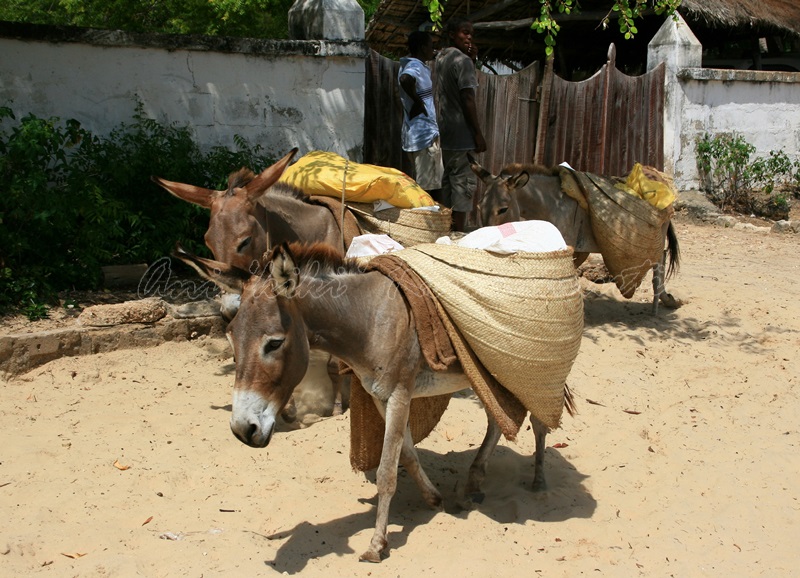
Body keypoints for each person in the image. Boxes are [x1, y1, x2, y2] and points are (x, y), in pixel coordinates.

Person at [435, 16, 487, 232]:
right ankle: (457, 233)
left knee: (448, 183)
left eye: (471, 34)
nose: (468, 37)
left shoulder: (441, 57)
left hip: (446, 133)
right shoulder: (462, 61)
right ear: (451, 34)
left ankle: (445, 230)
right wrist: (477, 134)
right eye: (464, 33)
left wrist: (471, 60)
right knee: (463, 186)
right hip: (461, 135)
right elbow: (467, 98)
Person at [398, 30, 443, 199]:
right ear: (423, 48)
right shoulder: (414, 66)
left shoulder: (410, 65)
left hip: (414, 135)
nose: (433, 50)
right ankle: (429, 222)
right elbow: (405, 79)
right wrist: (419, 103)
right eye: (431, 46)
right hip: (424, 136)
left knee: (424, 186)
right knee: (428, 189)